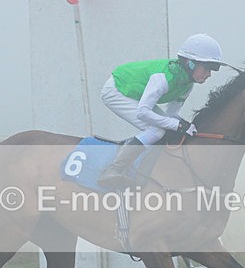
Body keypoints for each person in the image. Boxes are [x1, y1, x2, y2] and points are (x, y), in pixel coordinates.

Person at [97, 33, 227, 189]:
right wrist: (176, 125)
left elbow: (171, 114)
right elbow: (143, 113)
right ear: (190, 63)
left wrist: (183, 124)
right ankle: (112, 170)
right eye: (207, 68)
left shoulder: (187, 84)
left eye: (213, 69)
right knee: (157, 130)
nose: (209, 74)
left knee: (166, 127)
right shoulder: (163, 78)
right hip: (116, 90)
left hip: (136, 94)